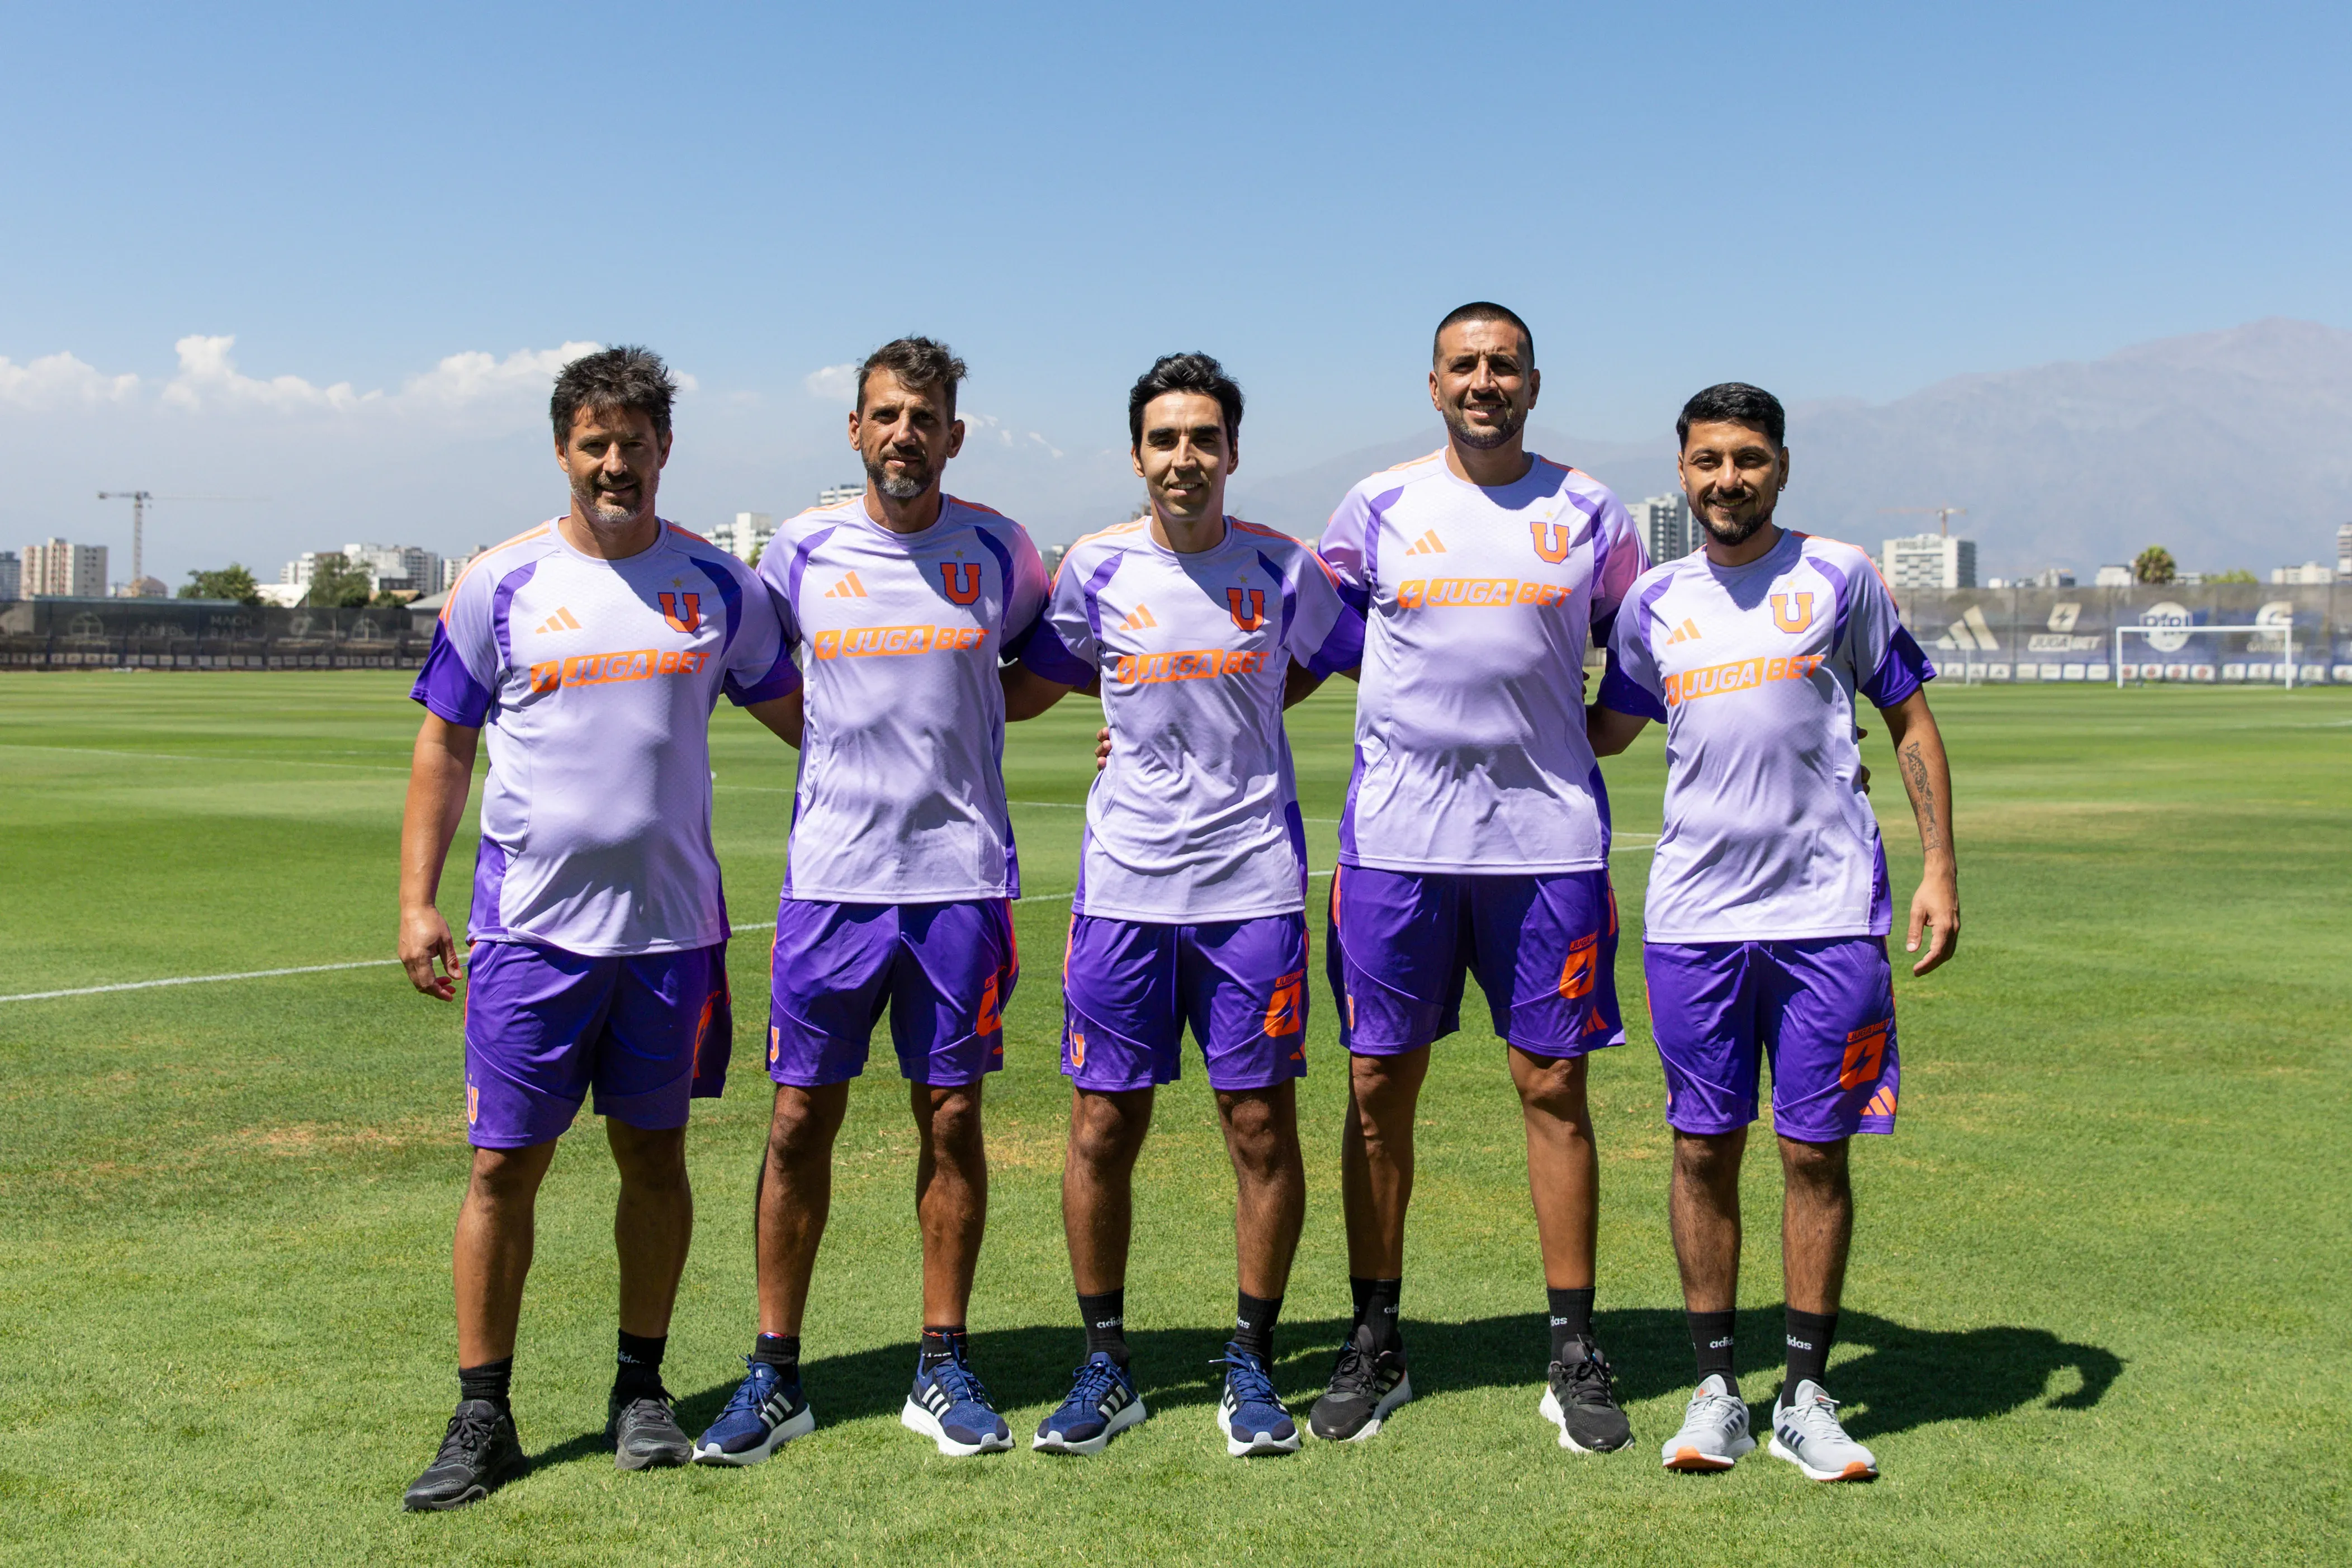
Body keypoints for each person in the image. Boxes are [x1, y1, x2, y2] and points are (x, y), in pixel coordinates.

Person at [395, 346, 802, 1509]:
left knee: (654, 1158)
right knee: (500, 1167)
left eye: (634, 442)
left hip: (671, 936)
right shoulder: (499, 582)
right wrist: (419, 899)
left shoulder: (719, 586)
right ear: (564, 449)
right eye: (593, 442)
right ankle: (484, 1412)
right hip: (529, 936)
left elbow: (807, 718)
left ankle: (641, 1388)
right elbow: (445, 742)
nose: (614, 462)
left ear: (665, 449)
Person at [1591, 381, 1958, 1481]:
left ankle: (1803, 1391)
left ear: (1781, 467)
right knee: (1703, 1147)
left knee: (1814, 1150)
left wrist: (1939, 865)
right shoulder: (1654, 603)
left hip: (1829, 917)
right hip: (1696, 919)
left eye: (1748, 458)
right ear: (1683, 472)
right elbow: (1604, 728)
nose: (1728, 479)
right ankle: (1718, 1394)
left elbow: (1910, 717)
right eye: (1708, 460)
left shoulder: (1839, 576)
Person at [693, 338, 1050, 1464]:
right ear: (856, 429)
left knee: (951, 1116)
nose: (906, 433)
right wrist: (840, 749)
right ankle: (776, 1372)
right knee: (801, 1118)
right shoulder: (800, 548)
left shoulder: (1002, 551)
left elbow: (1041, 667)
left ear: (955, 434)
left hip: (960, 884)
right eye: (887, 415)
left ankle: (942, 1364)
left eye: (926, 416)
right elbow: (763, 677)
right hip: (832, 886)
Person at [1001, 353, 1364, 1457]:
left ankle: (1251, 1358)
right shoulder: (1096, 567)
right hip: (1122, 891)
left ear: (1233, 452)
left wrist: (1246, 702)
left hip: (1251, 886)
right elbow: (1041, 680)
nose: (1184, 458)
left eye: (1204, 437)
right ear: (1137, 455)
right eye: (1165, 439)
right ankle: (1107, 1358)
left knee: (1258, 1125)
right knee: (1103, 1124)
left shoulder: (1282, 567)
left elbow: (1336, 661)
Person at [1309, 302, 1648, 1451]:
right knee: (1374, 1094)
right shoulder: (1376, 507)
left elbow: (1642, 652)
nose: (1485, 380)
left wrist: (1584, 736)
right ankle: (1375, 1338)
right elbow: (1304, 647)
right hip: (1397, 847)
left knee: (1554, 1090)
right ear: (1435, 382)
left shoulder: (1592, 510)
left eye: (1504, 365)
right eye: (1466, 365)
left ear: (1534, 384)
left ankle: (1573, 1348)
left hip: (1546, 846)